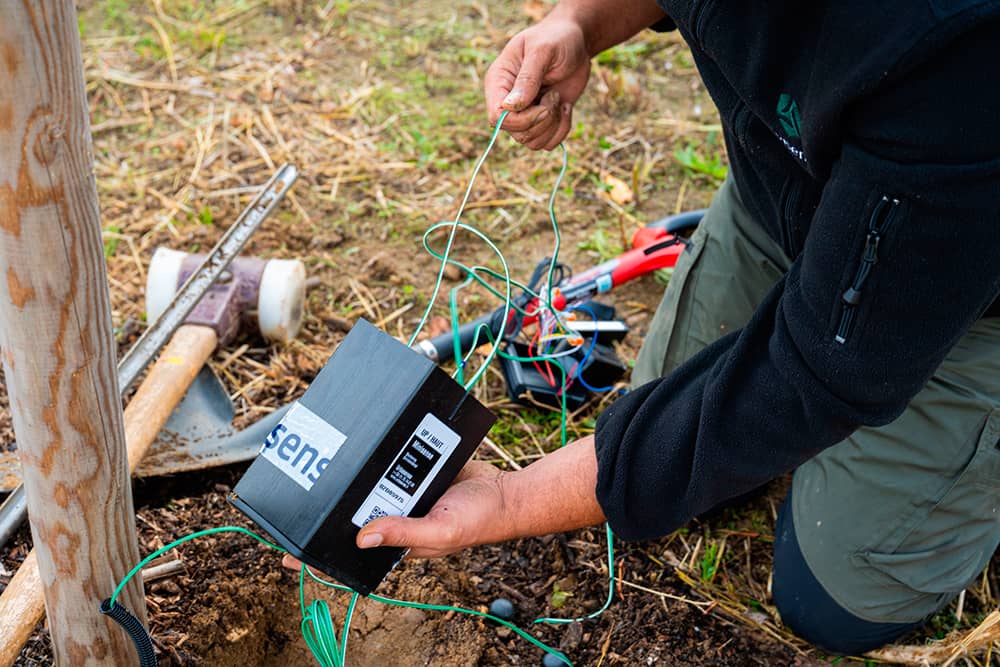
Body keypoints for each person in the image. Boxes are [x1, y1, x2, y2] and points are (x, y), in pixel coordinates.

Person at [316, 0, 1000, 654]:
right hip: (789, 193)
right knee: (670, 457)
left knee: (833, 597)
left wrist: (513, 497)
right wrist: (578, 22)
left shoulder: (962, 53)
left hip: (968, 288)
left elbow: (813, 378)